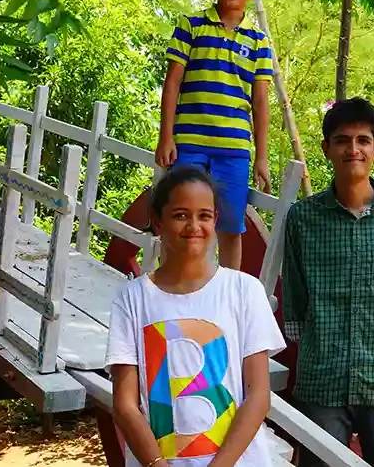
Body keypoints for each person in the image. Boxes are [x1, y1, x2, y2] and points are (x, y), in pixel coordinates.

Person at [106, 166, 286, 467]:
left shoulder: (244, 290)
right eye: (180, 215)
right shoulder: (133, 298)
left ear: (215, 221)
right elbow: (125, 405)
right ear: (158, 221)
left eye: (204, 215)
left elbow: (258, 395)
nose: (193, 225)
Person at [282, 97, 374, 467]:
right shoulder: (302, 219)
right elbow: (296, 298)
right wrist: (315, 345)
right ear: (326, 148)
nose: (353, 149)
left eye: (363, 140)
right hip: (321, 378)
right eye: (343, 140)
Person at [154, 0, 274, 270]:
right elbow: (172, 83)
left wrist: (260, 156)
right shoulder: (191, 26)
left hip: (234, 149)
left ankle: (227, 296)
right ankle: (174, 282)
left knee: (230, 226)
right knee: (179, 216)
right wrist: (166, 137)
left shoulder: (259, 42)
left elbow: (260, 102)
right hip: (188, 142)